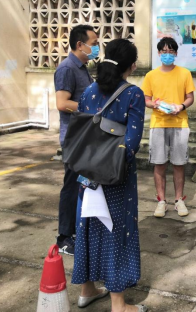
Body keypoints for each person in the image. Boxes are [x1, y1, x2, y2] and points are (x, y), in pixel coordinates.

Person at [71, 39, 147, 312]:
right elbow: (132, 143)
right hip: (116, 176)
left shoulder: (89, 91)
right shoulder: (133, 94)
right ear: (132, 66)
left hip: (86, 173)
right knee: (117, 231)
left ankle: (87, 290)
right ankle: (119, 305)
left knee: (88, 227)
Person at [54, 24, 98, 255]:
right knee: (71, 186)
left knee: (83, 185)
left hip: (84, 137)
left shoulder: (82, 68)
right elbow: (62, 103)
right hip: (73, 139)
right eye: (94, 43)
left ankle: (78, 231)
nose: (97, 47)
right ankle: (64, 237)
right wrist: (91, 109)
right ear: (80, 44)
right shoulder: (67, 68)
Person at [141, 37, 195, 218]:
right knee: (159, 163)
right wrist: (154, 104)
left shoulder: (185, 73)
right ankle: (161, 201)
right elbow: (146, 100)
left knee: (179, 164)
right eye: (164, 51)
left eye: (171, 51)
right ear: (158, 53)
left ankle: (179, 200)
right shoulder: (151, 75)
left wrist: (181, 106)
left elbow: (190, 98)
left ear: (176, 53)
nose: (167, 54)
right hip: (158, 123)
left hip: (180, 123)